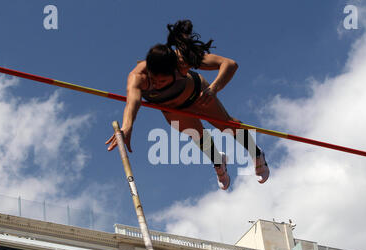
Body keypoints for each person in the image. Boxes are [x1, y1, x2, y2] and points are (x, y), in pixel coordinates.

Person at [106, 20, 269, 190]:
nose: (157, 84)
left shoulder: (182, 60)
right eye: (154, 80)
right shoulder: (138, 76)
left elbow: (229, 64)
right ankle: (218, 161)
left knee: (225, 126)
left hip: (198, 95)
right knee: (196, 134)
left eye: (163, 80)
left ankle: (257, 154)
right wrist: (127, 126)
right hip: (173, 109)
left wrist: (213, 89)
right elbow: (133, 100)